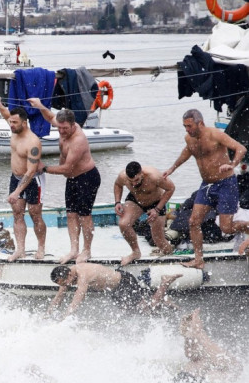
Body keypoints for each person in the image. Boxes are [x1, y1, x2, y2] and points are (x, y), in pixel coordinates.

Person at [163, 109, 248, 269]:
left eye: (189, 126)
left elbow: (241, 149)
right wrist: (171, 169)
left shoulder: (215, 134)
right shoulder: (190, 139)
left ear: (200, 123)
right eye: (184, 127)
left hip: (226, 184)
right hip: (206, 185)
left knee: (226, 228)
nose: (187, 130)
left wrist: (232, 164)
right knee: (193, 221)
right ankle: (198, 259)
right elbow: (186, 153)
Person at [28, 98, 101, 264]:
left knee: (84, 216)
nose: (61, 131)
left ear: (73, 125)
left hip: (87, 178)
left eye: (65, 128)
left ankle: (86, 250)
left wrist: (44, 168)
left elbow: (66, 169)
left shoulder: (78, 140)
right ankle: (74, 250)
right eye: (59, 128)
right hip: (73, 179)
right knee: (70, 215)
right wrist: (40, 106)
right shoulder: (62, 127)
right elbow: (50, 117)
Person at [0, 95, 46, 260]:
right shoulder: (15, 129)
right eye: (10, 122)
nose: (11, 125)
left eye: (14, 123)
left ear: (24, 123)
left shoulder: (33, 142)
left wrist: (16, 192)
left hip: (33, 179)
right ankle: (20, 249)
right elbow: (5, 113)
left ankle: (41, 248)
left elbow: (30, 172)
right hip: (15, 176)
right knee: (17, 213)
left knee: (35, 214)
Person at [47, 263, 182, 318]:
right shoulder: (67, 274)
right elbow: (58, 297)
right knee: (131, 310)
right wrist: (47, 314)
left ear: (69, 274)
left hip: (124, 283)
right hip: (114, 289)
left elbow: (76, 302)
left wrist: (63, 319)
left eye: (65, 282)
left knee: (147, 310)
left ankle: (165, 282)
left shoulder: (83, 275)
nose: (65, 285)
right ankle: (164, 301)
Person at [114, 161, 176, 265]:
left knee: (158, 240)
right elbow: (117, 185)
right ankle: (135, 252)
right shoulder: (122, 176)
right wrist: (117, 202)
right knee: (123, 224)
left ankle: (170, 254)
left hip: (156, 203)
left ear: (141, 173)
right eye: (131, 181)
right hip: (135, 200)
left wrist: (157, 209)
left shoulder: (154, 176)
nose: (134, 184)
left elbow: (171, 188)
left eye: (137, 180)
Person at [176, 309, 241, 382]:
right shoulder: (199, 341)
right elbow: (190, 354)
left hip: (189, 375)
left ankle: (192, 333)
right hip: (191, 376)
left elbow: (190, 354)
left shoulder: (202, 345)